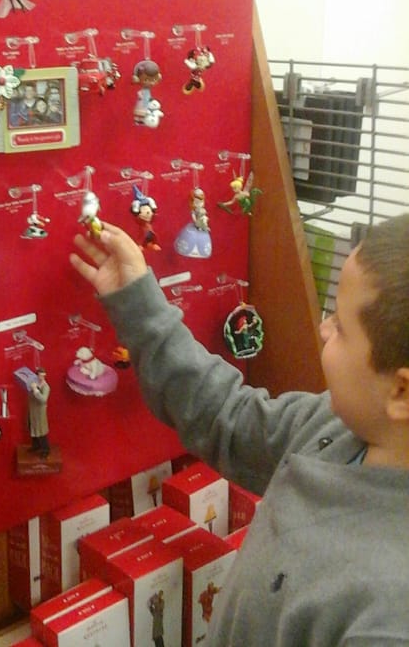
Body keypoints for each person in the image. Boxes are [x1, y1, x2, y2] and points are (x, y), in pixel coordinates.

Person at [69, 216, 409, 646]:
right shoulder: (337, 426)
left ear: (401, 392)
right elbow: (225, 415)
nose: (323, 329)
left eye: (340, 327)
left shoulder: (389, 618)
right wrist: (137, 301)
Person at [27, 367, 50, 458]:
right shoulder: (34, 384)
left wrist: (36, 391)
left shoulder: (46, 387)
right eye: (40, 376)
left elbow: (43, 399)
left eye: (43, 376)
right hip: (32, 410)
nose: (41, 378)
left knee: (41, 431)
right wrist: (31, 387)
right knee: (32, 427)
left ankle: (45, 449)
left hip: (40, 412)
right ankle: (36, 445)